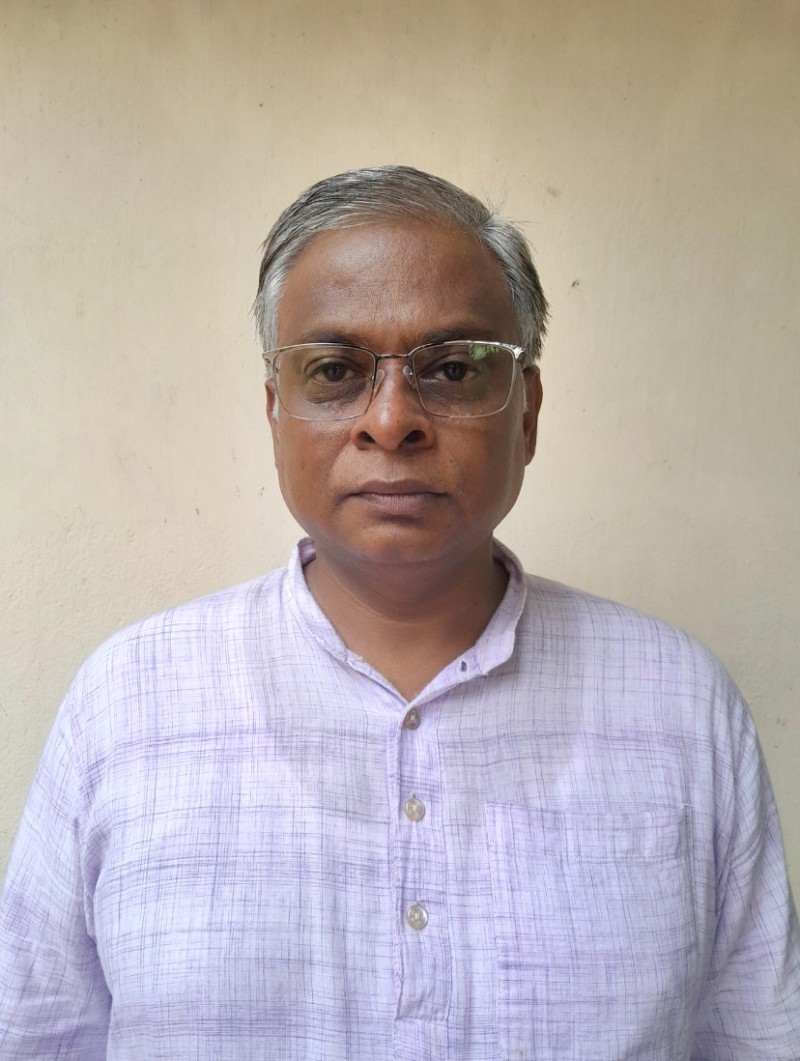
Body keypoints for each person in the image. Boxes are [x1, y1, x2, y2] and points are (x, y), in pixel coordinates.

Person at [0, 165, 798, 1060]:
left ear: (527, 413)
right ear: (275, 411)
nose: (390, 421)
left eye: (452, 369)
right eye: (335, 371)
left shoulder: (682, 708)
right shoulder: (126, 705)